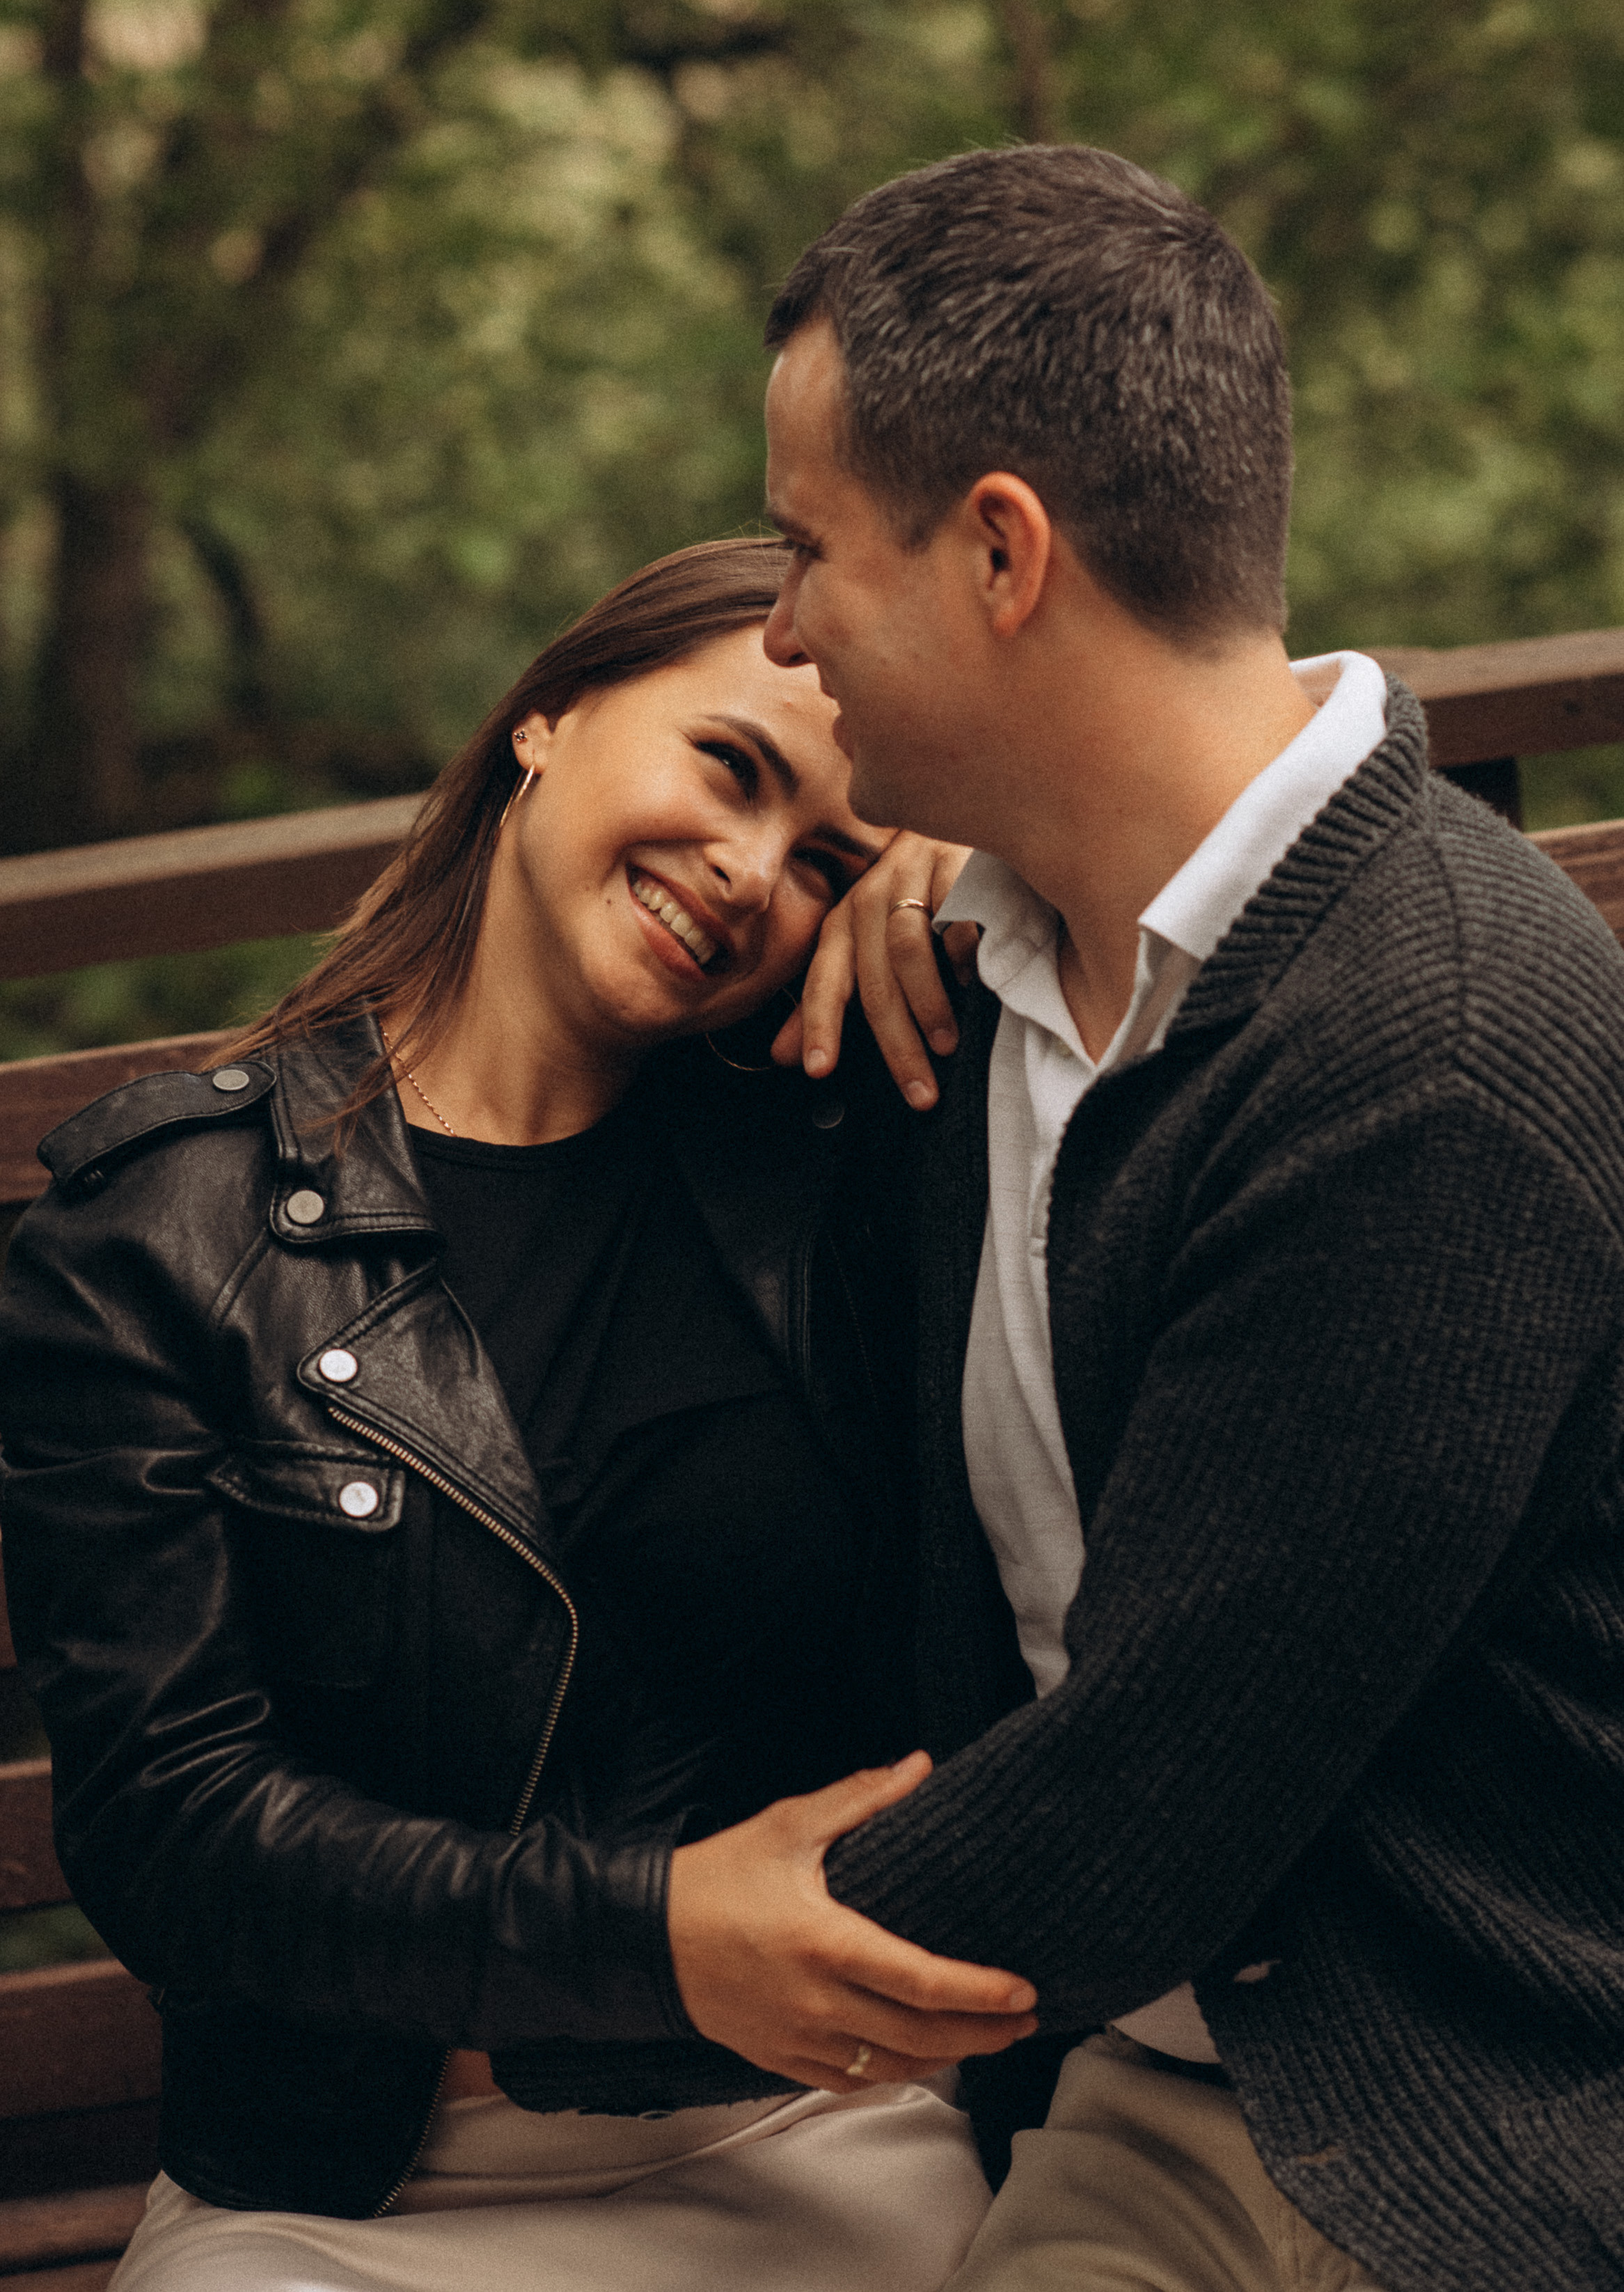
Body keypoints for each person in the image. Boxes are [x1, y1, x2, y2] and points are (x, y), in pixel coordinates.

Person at [736, 145, 1624, 2292]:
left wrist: (606, 1966)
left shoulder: (1426, 1055)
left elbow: (1147, 1788)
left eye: (805, 552)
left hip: (1471, 2106)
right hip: (1137, 2076)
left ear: (1001, 550)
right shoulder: (993, 956)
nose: (775, 630)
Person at [0, 536, 1040, 2292]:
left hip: (815, 2128)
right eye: (732, 765)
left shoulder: (849, 1154)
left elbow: (1223, 797)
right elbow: (172, 1830)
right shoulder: (155, 1233)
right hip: (347, 2204)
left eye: (827, 858)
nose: (750, 870)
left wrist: (996, 872)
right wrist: (649, 1933)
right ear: (546, 721)